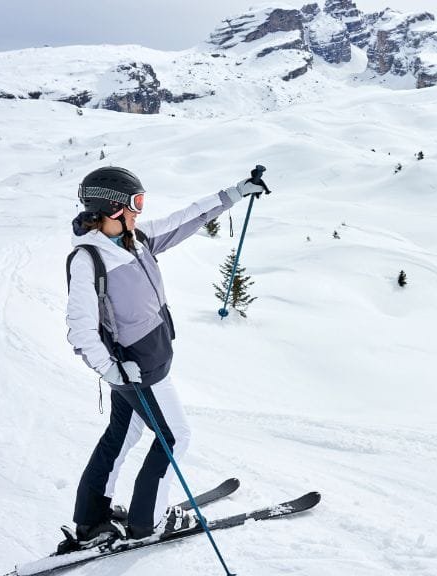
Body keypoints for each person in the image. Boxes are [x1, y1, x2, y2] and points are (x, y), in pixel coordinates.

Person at [64, 166, 268, 550]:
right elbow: (80, 330)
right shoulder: (89, 261)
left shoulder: (137, 240)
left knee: (122, 435)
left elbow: (187, 218)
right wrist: (112, 369)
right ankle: (148, 522)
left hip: (142, 364)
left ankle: (92, 521)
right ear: (112, 208)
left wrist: (237, 192)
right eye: (136, 203)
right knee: (174, 437)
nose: (140, 211)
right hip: (138, 370)